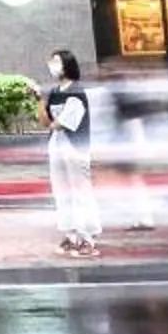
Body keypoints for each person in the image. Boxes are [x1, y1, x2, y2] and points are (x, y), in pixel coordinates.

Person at [42, 51, 99, 256]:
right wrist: (39, 99)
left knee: (80, 192)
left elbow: (58, 124)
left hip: (75, 148)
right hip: (56, 147)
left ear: (67, 65)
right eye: (51, 61)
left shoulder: (76, 92)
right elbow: (44, 122)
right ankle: (70, 234)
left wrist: (48, 116)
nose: (52, 66)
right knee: (62, 191)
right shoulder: (55, 91)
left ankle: (88, 238)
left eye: (56, 62)